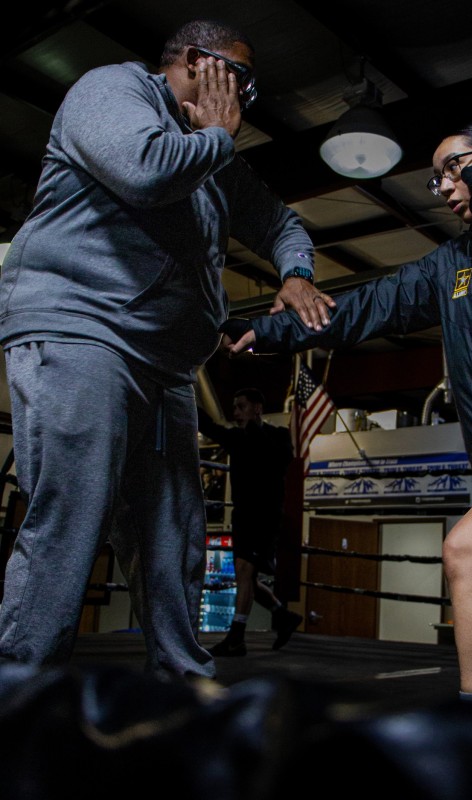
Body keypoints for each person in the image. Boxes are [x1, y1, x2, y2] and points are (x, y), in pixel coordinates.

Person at [218, 121, 472, 709]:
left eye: (454, 168)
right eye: (435, 176)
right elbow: (365, 308)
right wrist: (265, 331)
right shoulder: (451, 265)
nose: (441, 185)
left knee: (465, 550)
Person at [0, 18, 334, 679]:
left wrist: (296, 270)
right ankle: (20, 686)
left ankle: (181, 679)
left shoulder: (211, 156)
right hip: (83, 327)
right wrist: (216, 135)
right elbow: (144, 173)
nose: (242, 96)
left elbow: (277, 219)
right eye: (237, 77)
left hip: (164, 364)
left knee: (174, 531)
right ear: (193, 61)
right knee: (72, 510)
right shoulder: (113, 92)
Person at [197, 388, 302, 655]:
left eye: (241, 406)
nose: (235, 412)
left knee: (245, 572)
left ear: (257, 408)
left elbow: (282, 459)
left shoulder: (276, 436)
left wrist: (254, 429)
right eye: (234, 407)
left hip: (265, 516)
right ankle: (282, 614)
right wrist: (182, 394)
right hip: (243, 515)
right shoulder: (236, 438)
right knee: (246, 576)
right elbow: (209, 426)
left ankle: (236, 638)